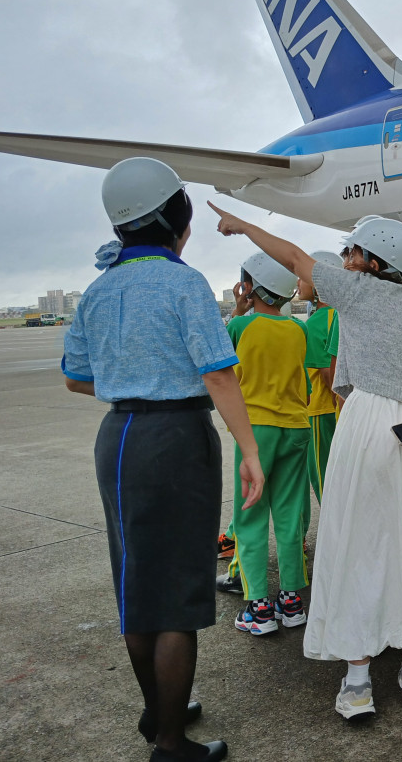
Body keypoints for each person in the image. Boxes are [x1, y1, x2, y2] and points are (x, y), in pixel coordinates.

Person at [207, 205, 402, 721]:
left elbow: (292, 256)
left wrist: (242, 225)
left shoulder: (356, 291)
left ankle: (358, 683)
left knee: (360, 545)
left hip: (369, 422)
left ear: (371, 261)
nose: (346, 258)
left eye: (353, 251)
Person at [62, 156, 264, 762]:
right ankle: (173, 745)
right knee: (175, 591)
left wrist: (131, 374)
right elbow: (220, 375)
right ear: (176, 214)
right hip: (175, 437)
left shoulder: (99, 289)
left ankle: (159, 710)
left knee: (136, 583)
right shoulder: (183, 283)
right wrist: (249, 450)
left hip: (118, 436)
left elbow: (76, 378)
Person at [225, 251, 312, 637]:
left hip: (256, 430)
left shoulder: (241, 327)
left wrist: (237, 308)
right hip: (297, 427)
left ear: (250, 286)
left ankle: (258, 605)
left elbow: (217, 366)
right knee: (291, 516)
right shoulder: (298, 329)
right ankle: (292, 601)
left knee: (251, 516)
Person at [300, 250, 343, 545]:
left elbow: (328, 374)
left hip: (321, 412)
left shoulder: (313, 323)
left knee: (324, 478)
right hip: (342, 411)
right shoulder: (342, 314)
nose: (297, 285)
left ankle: (337, 537)